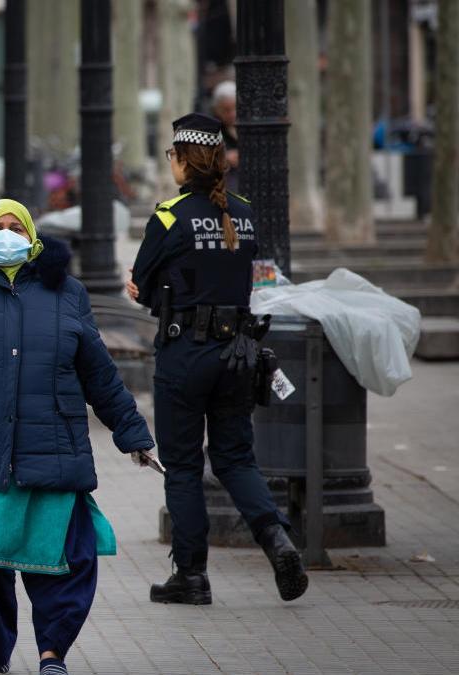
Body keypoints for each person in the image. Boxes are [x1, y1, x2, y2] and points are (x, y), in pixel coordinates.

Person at [0, 199, 156, 675]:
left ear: (32, 237)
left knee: (71, 559)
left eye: (15, 228)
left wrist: (132, 433)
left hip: (55, 449)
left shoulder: (67, 294)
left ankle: (52, 654)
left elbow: (98, 372)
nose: (6, 236)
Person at [128, 112, 308, 605]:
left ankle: (192, 576)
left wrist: (145, 288)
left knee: (184, 467)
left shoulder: (169, 216)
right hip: (237, 354)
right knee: (234, 458)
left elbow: (143, 286)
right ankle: (277, 540)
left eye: (173, 157)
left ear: (184, 160)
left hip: (185, 354)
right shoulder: (246, 213)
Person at [211, 81, 239, 191]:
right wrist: (224, 158)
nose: (233, 114)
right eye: (227, 110)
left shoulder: (250, 128)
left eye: (236, 108)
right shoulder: (212, 130)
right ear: (217, 110)